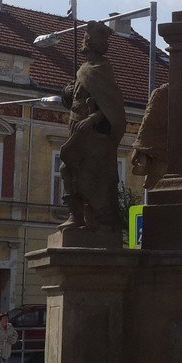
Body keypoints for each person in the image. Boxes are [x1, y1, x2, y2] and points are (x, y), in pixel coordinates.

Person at [58, 20, 127, 231]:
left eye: (88, 40)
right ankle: (77, 216)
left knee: (82, 172)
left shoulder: (102, 68)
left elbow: (112, 107)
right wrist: (68, 92)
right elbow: (74, 99)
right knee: (69, 168)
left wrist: (91, 120)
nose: (83, 43)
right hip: (76, 127)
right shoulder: (83, 69)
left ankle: (91, 216)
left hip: (92, 134)